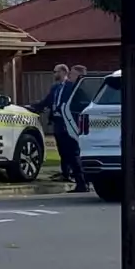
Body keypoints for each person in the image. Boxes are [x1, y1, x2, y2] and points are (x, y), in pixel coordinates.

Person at [28, 64, 88, 192]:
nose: (70, 75)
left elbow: (82, 106)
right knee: (63, 152)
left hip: (69, 124)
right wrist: (32, 108)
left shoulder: (75, 89)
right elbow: (47, 102)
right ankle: (66, 174)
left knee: (73, 153)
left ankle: (82, 182)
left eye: (73, 73)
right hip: (58, 123)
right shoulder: (56, 88)